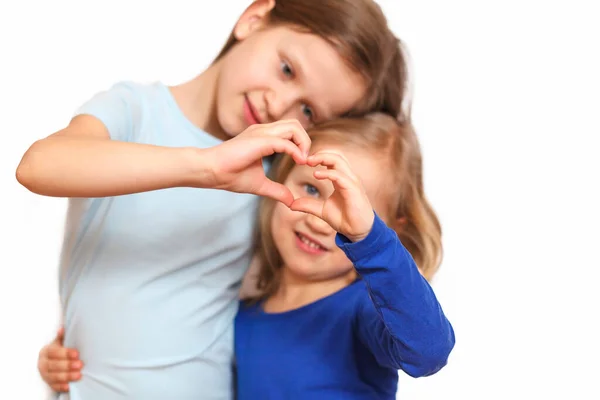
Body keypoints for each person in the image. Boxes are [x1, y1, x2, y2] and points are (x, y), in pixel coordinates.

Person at [17, 0, 410, 398]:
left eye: (308, 110)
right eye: (287, 69)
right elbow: (38, 166)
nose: (278, 104)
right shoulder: (134, 112)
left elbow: (308, 300)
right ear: (253, 18)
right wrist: (205, 165)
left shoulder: (277, 183)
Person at [38, 113, 455, 399]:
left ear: (390, 226)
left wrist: (370, 239)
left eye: (350, 206)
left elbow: (429, 352)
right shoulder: (244, 311)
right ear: (281, 180)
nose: (322, 220)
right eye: (311, 189)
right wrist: (68, 356)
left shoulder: (361, 310)